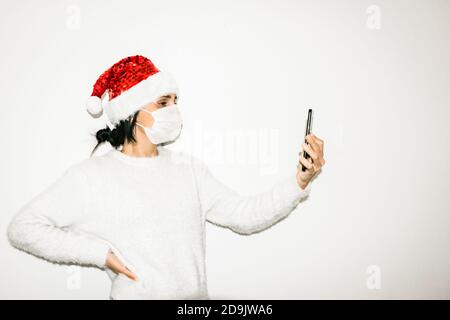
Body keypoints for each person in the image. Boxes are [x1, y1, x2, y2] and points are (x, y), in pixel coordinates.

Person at [6, 55, 326, 300]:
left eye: (175, 102)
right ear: (131, 112)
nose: (173, 111)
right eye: (162, 102)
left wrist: (299, 181)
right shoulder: (91, 177)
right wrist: (101, 255)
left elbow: (245, 217)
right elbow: (23, 228)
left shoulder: (189, 170)